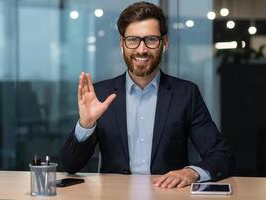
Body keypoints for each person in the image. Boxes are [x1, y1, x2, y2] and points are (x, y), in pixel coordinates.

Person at [61, 1, 235, 189]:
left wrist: (192, 172)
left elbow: (222, 157)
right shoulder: (101, 94)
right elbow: (69, 166)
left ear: (164, 42)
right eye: (133, 40)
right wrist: (86, 125)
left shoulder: (186, 94)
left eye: (151, 39)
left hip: (167, 194)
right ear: (122, 43)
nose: (141, 49)